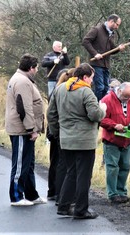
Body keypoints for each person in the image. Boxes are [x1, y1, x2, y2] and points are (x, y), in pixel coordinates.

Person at [47, 63, 107, 219]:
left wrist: (57, 133)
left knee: (71, 172)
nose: (92, 81)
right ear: (85, 77)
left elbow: (51, 114)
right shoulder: (86, 92)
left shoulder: (59, 89)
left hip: (65, 140)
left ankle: (64, 206)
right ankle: (81, 210)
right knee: (83, 176)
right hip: (84, 141)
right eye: (92, 78)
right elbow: (95, 115)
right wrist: (103, 109)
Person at [5, 53, 47, 206]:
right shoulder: (22, 81)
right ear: (31, 68)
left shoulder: (22, 79)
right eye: (36, 68)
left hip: (24, 129)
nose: (36, 71)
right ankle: (16, 196)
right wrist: (31, 129)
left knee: (28, 163)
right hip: (22, 130)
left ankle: (31, 194)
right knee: (21, 164)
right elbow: (25, 108)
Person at [100, 82, 130, 204]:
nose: (128, 99)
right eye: (126, 97)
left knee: (125, 166)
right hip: (112, 139)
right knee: (112, 167)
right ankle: (113, 194)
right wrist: (114, 125)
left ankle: (121, 192)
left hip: (127, 139)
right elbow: (100, 118)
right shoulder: (107, 100)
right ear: (119, 91)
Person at [46, 68, 75, 203]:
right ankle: (58, 192)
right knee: (61, 163)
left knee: (56, 161)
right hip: (58, 131)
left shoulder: (55, 91)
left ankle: (53, 191)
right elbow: (52, 114)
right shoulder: (63, 91)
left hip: (54, 130)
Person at [82, 14, 127, 102]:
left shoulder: (111, 34)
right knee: (100, 87)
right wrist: (95, 53)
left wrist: (118, 48)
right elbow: (85, 41)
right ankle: (95, 105)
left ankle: (102, 106)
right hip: (96, 64)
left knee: (106, 87)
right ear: (111, 21)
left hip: (106, 65)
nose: (117, 27)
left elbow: (112, 49)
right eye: (117, 24)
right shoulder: (97, 30)